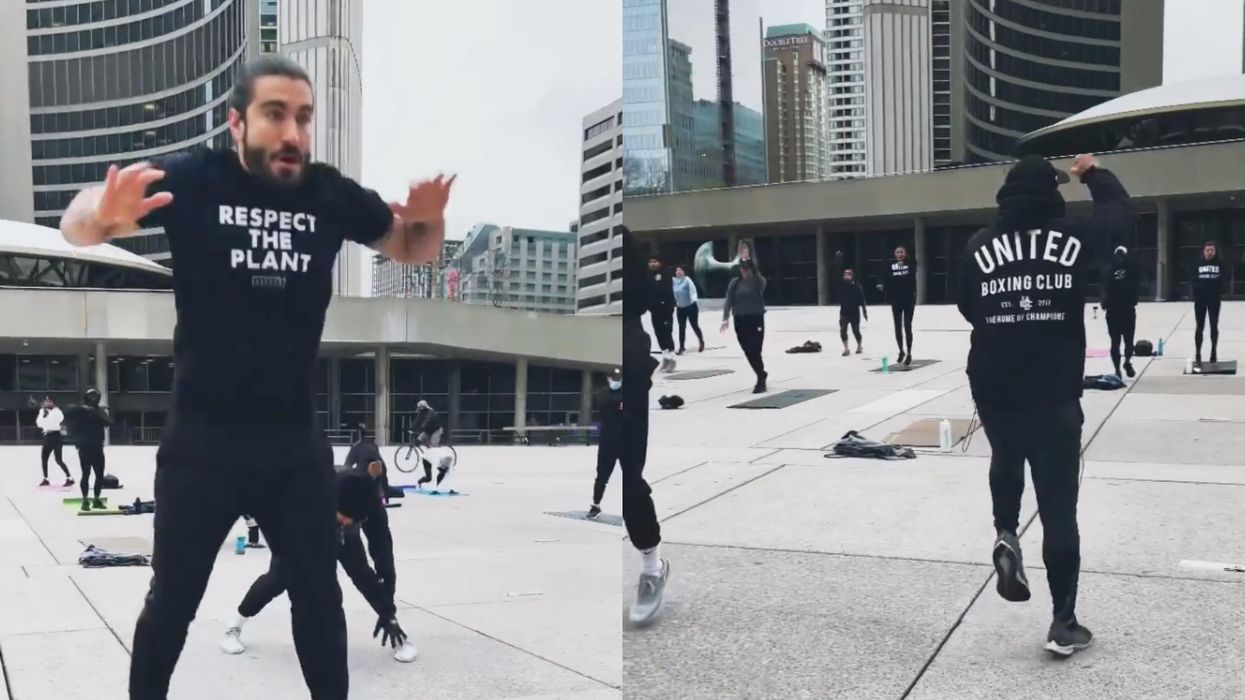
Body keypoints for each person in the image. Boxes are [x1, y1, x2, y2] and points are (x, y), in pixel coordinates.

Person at [58, 55, 453, 698]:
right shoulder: (195, 179)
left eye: (304, 116)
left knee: (319, 602)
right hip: (201, 444)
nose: (293, 132)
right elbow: (75, 225)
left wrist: (429, 219)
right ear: (236, 123)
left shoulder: (329, 194)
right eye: (276, 114)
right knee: (171, 603)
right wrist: (100, 215)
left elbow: (409, 246)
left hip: (291, 447)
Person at [957, 153, 1131, 657]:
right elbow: (1119, 218)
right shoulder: (1071, 237)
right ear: (1051, 193)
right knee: (1058, 505)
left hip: (992, 383)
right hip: (1052, 389)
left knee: (1005, 455)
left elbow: (968, 304)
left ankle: (1006, 530)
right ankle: (1063, 620)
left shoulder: (978, 244)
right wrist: (1094, 175)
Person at [220, 470, 415, 663]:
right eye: (344, 516)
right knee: (278, 579)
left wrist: (388, 612)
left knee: (364, 575)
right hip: (303, 533)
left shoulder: (371, 505)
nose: (348, 521)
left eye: (354, 519)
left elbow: (384, 556)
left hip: (345, 537)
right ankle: (234, 626)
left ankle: (395, 629)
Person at [621, 227, 668, 625]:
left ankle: (652, 567)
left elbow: (646, 302)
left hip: (627, 370)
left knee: (628, 478)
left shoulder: (623, 245)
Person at [720, 259, 768, 393]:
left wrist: (753, 265)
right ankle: (761, 373)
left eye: (747, 268)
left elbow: (761, 282)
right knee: (747, 349)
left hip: (756, 318)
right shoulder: (735, 283)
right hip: (740, 319)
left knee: (755, 349)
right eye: (742, 268)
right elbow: (729, 300)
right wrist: (725, 318)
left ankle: (760, 378)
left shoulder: (758, 282)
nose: (744, 271)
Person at [63, 388, 110, 511]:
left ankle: (96, 499)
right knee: (86, 474)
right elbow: (67, 411)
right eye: (90, 395)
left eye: (95, 395)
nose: (93, 398)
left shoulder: (100, 410)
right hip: (84, 446)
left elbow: (107, 422)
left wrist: (96, 413)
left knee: (99, 475)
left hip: (97, 446)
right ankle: (85, 500)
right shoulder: (80, 409)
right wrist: (85, 409)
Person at [588, 368, 623, 519]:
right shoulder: (603, 393)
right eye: (614, 378)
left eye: (618, 378)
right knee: (602, 474)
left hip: (624, 439)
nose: (616, 381)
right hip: (607, 439)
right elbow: (606, 404)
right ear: (608, 378)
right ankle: (595, 504)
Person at [1101, 245, 1139, 378]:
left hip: (1115, 310)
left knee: (1116, 341)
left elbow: (1104, 288)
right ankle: (1126, 362)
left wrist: (1104, 302)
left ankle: (1119, 368)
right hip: (1125, 309)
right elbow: (1136, 285)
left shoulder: (1108, 269)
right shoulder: (1131, 269)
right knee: (1128, 341)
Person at [878, 245, 917, 365]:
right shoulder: (890, 266)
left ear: (905, 253)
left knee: (907, 325)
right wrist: (881, 284)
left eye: (901, 252)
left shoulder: (910, 265)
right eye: (897, 252)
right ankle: (901, 350)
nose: (899, 254)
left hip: (909, 299)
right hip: (895, 300)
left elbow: (911, 273)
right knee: (897, 327)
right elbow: (883, 277)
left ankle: (909, 352)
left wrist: (905, 264)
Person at [1191, 241, 1224, 366]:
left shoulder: (1220, 264)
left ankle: (1213, 352)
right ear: (1204, 251)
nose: (1210, 252)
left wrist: (1212, 286)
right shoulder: (1197, 264)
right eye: (1207, 250)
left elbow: (1222, 280)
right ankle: (1198, 353)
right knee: (1200, 326)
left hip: (1214, 299)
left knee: (1214, 326)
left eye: (1212, 250)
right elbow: (1193, 281)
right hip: (1200, 300)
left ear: (1215, 252)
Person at [833, 254, 869, 356]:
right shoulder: (841, 284)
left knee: (856, 331)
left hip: (854, 313)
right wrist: (837, 260)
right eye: (845, 274)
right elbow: (835, 273)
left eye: (848, 274)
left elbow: (862, 300)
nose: (846, 276)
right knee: (843, 331)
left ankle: (859, 345)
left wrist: (864, 312)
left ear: (852, 276)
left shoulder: (857, 286)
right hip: (844, 312)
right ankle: (846, 348)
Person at [647, 254, 678, 372]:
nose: (652, 264)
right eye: (650, 261)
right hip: (654, 311)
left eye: (655, 261)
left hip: (665, 309)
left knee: (667, 333)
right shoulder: (648, 275)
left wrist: (668, 307)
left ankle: (672, 359)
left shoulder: (665, 274)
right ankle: (665, 357)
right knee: (659, 334)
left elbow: (667, 291)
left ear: (660, 262)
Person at [35, 397, 73, 487]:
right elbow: (39, 424)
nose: (48, 403)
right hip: (47, 436)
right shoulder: (42, 411)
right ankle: (46, 479)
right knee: (44, 458)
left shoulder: (57, 411)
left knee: (58, 459)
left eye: (50, 401)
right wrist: (43, 415)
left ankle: (69, 478)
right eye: (46, 401)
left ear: (53, 403)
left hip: (56, 436)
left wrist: (49, 413)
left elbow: (59, 420)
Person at [412, 400, 448, 489]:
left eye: (421, 408)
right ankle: (428, 458)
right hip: (428, 430)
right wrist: (412, 429)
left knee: (433, 447)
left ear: (424, 408)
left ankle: (438, 461)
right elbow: (417, 421)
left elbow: (426, 423)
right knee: (420, 439)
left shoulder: (431, 413)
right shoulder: (421, 413)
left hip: (436, 431)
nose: (419, 410)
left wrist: (420, 430)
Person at [672, 265, 705, 354]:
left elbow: (693, 291)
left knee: (694, 325)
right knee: (681, 327)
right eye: (677, 270)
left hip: (691, 306)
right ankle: (681, 347)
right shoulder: (674, 281)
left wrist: (693, 299)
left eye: (680, 270)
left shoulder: (687, 280)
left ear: (684, 272)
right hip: (680, 308)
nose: (678, 272)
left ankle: (701, 341)